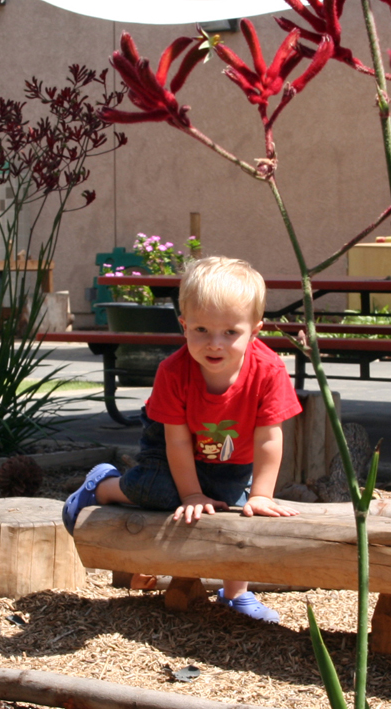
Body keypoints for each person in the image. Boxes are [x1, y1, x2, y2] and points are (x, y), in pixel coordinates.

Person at [62, 256, 302, 622]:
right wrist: (191, 493)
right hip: (173, 438)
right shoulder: (173, 371)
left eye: (230, 333)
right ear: (184, 325)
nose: (214, 344)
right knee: (161, 493)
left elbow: (270, 438)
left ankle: (236, 593)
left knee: (239, 508)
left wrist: (262, 495)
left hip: (234, 449)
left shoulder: (268, 370)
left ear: (255, 330)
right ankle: (103, 486)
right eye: (202, 330)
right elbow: (176, 442)